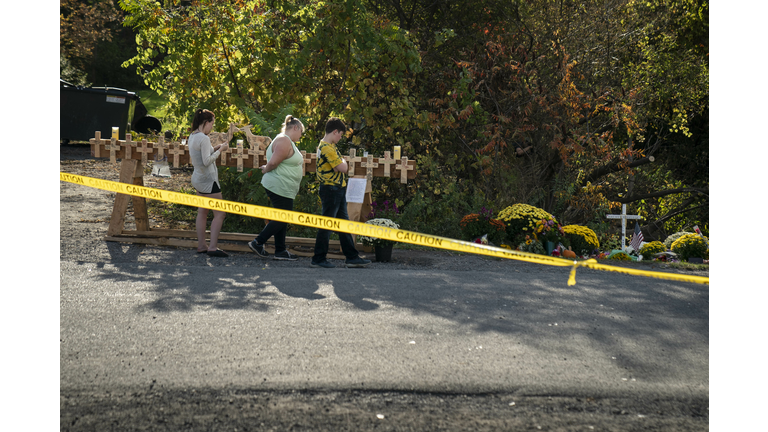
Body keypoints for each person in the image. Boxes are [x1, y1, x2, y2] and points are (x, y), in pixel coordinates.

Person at [311, 117, 371, 268]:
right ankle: (318, 258)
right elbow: (343, 167)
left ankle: (351, 256)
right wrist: (343, 163)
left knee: (343, 224)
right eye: (340, 135)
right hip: (331, 189)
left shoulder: (328, 146)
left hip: (336, 188)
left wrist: (341, 163)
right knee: (327, 224)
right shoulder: (327, 148)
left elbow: (340, 165)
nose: (340, 138)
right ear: (335, 131)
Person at [247, 115, 305, 261]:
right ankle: (258, 242)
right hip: (279, 185)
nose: (301, 135)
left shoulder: (286, 141)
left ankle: (280, 250)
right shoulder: (284, 140)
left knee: (282, 217)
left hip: (284, 187)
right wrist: (266, 169)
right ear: (296, 128)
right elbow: (273, 163)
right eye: (301, 132)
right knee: (283, 216)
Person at [188, 109, 229, 257]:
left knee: (203, 212)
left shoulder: (193, 136)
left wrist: (217, 147)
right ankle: (212, 247)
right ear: (206, 123)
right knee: (220, 213)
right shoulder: (204, 138)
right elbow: (206, 161)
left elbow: (204, 153)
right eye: (212, 123)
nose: (212, 127)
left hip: (198, 179)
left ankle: (202, 245)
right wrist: (221, 150)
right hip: (208, 181)